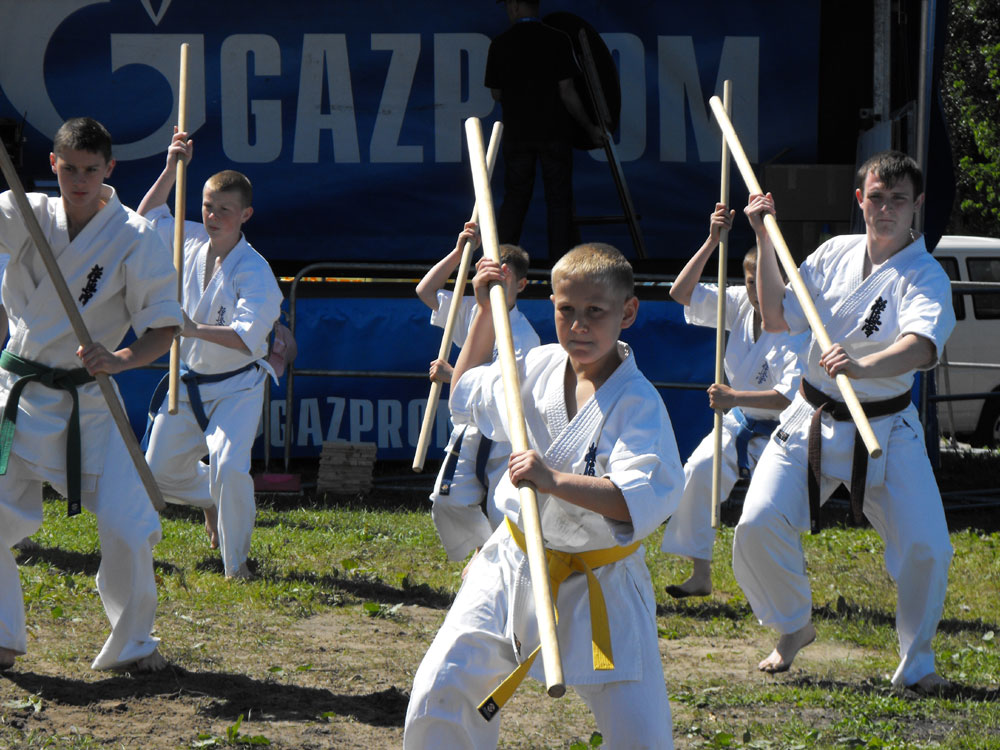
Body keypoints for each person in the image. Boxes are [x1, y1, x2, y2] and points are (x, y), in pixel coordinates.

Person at [404, 243, 684, 748]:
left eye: (595, 312)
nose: (578, 325)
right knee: (440, 690)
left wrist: (552, 479)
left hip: (601, 579)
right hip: (512, 561)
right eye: (566, 310)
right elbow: (465, 390)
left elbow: (634, 499)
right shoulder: (535, 366)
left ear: (627, 312)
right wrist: (486, 312)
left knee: (642, 735)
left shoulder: (638, 403)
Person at [734, 151, 955, 693]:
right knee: (756, 523)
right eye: (876, 197)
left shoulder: (925, 275)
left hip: (886, 427)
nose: (886, 208)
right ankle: (793, 624)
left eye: (898, 199)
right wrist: (763, 236)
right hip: (811, 413)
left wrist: (862, 366)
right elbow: (776, 316)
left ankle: (917, 662)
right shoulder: (834, 253)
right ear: (861, 200)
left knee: (927, 546)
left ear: (917, 205)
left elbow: (921, 346)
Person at [0, 117, 182, 671]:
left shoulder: (135, 236)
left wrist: (122, 359)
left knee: (127, 524)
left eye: (90, 170)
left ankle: (134, 644)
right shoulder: (24, 212)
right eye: (69, 169)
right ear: (53, 165)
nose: (79, 181)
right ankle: (2, 635)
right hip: (17, 397)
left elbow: (164, 326)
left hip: (90, 403)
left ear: (109, 169)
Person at [137, 130, 282, 580]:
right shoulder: (190, 238)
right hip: (189, 379)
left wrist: (192, 328)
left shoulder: (255, 272)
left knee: (230, 465)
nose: (213, 216)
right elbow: (146, 218)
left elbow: (246, 338)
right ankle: (212, 497)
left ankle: (237, 565)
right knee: (155, 475)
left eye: (224, 210)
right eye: (207, 206)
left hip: (238, 386)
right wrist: (170, 168)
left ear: (245, 214)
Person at [660, 205, 806, 597]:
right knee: (698, 470)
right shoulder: (739, 302)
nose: (756, 291)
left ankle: (784, 584)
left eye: (764, 282)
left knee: (768, 508)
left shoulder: (797, 321)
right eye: (750, 281)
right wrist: (712, 240)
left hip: (784, 433)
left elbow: (789, 397)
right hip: (739, 422)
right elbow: (681, 293)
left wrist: (732, 396)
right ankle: (700, 573)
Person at [416, 222, 540, 562]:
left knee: (502, 508)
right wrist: (460, 253)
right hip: (469, 429)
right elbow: (426, 291)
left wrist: (451, 375)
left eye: (505, 279)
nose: (496, 285)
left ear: (521, 284)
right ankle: (482, 550)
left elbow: (506, 391)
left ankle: (494, 558)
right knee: (448, 500)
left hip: (504, 437)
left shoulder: (524, 335)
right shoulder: (471, 309)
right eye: (490, 276)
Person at [486, 0, 603, 260]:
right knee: (559, 202)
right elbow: (568, 92)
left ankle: (499, 263)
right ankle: (560, 267)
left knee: (515, 199)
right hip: (554, 134)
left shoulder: (500, 43)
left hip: (517, 135)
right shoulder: (558, 40)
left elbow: (496, 93)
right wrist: (589, 127)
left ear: (515, 7)